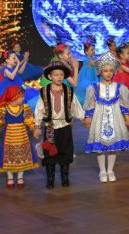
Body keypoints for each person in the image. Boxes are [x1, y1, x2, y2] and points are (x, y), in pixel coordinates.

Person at [34, 61, 85, 189]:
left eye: (61, 75)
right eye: (56, 75)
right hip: (50, 127)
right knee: (49, 152)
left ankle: (65, 176)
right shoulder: (44, 92)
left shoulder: (68, 91)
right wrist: (37, 126)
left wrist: (83, 118)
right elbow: (39, 109)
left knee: (65, 151)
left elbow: (75, 106)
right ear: (50, 76)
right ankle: (50, 178)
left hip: (64, 126)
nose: (59, 77)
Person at [83, 52, 129, 183]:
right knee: (99, 146)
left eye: (111, 70)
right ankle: (102, 171)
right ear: (100, 72)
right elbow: (91, 104)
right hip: (99, 118)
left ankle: (110, 170)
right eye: (105, 71)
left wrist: (127, 116)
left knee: (113, 147)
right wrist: (88, 117)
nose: (108, 73)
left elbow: (122, 104)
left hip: (115, 118)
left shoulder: (119, 87)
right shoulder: (94, 87)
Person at [0, 86, 39, 189]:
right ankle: (10, 177)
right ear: (14, 97)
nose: (23, 98)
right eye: (21, 97)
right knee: (9, 156)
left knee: (22, 155)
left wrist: (34, 128)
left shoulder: (25, 108)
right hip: (9, 136)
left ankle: (20, 176)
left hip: (22, 135)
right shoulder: (4, 109)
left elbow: (29, 120)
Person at [76, 40, 98, 104]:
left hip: (93, 75)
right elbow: (95, 63)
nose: (94, 51)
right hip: (87, 77)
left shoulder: (94, 58)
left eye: (94, 49)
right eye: (92, 50)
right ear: (86, 52)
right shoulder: (88, 60)